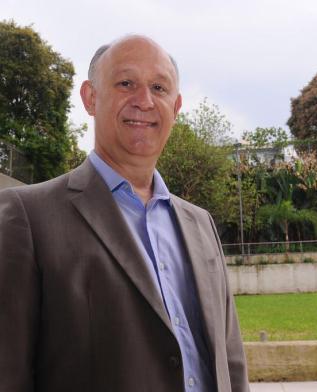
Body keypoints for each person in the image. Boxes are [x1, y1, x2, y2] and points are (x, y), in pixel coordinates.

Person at [0, 35, 249, 392]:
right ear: (91, 97)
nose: (144, 101)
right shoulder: (27, 217)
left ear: (175, 107)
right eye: (126, 83)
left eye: (159, 88)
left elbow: (230, 358)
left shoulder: (200, 223)